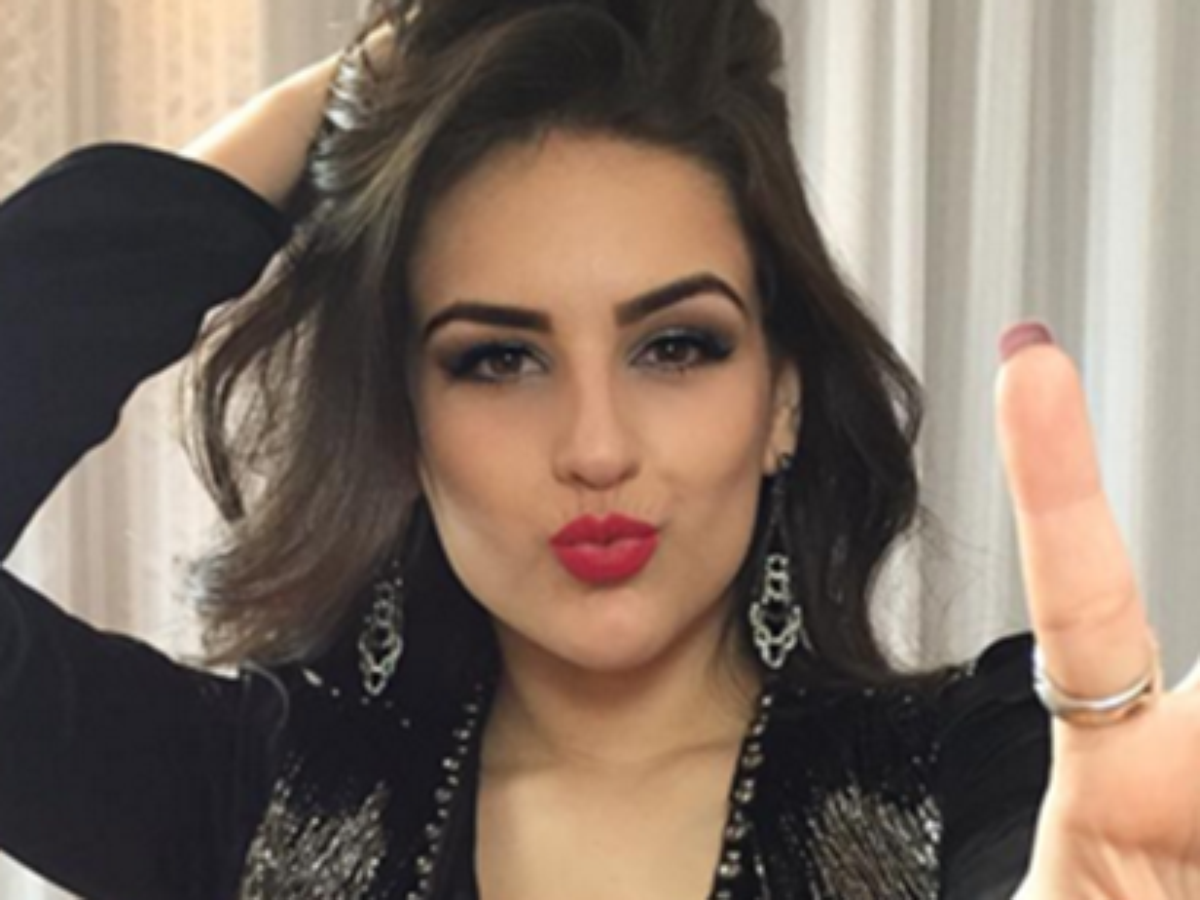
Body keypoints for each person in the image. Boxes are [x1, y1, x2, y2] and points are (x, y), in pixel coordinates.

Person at [0, 1, 1195, 898]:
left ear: (781, 396)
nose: (595, 446)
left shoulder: (986, 776)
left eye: (675, 347)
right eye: (498, 359)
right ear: (406, 428)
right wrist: (343, 106)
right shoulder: (249, 796)